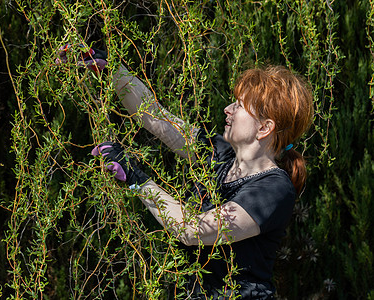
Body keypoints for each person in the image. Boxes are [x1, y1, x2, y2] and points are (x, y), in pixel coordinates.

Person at [68, 45, 314, 299]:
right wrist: (112, 70)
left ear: (264, 128)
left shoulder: (273, 190)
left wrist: (135, 178)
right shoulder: (221, 155)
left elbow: (192, 230)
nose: (227, 109)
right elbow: (155, 117)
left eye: (239, 106)